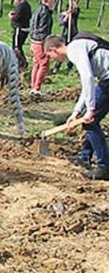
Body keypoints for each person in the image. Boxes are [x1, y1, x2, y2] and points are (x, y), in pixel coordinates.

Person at [44, 33, 109, 180]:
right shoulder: (78, 46)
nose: (52, 60)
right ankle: (84, 157)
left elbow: (88, 78)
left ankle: (104, 167)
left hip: (108, 79)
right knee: (91, 121)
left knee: (90, 123)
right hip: (106, 79)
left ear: (53, 49)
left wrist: (90, 109)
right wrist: (76, 112)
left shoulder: (74, 50)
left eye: (50, 56)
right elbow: (87, 87)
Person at [29, 0, 56, 95]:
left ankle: (33, 86)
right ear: (48, 0)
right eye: (53, 0)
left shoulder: (37, 10)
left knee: (36, 64)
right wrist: (47, 43)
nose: (54, 2)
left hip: (34, 40)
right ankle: (36, 89)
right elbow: (44, 29)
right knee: (44, 64)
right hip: (41, 41)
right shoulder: (45, 12)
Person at [53, 0, 81, 73]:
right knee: (62, 51)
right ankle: (56, 67)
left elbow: (77, 9)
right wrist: (67, 15)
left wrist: (73, 1)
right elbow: (62, 23)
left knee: (72, 51)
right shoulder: (63, 14)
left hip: (73, 35)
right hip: (65, 35)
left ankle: (69, 67)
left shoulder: (74, 14)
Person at [9, 0, 32, 68]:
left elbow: (17, 17)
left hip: (20, 28)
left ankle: (21, 63)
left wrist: (12, 17)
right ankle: (21, 62)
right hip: (25, 28)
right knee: (19, 46)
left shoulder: (21, 5)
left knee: (16, 47)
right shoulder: (27, 5)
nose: (14, 0)